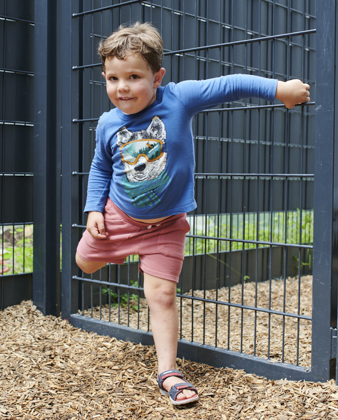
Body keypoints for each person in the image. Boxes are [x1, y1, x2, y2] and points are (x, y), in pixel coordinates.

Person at [75, 22, 310, 406]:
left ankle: (168, 371)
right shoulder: (107, 123)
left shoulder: (179, 99)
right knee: (83, 264)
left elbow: (230, 85)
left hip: (166, 227)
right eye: (113, 78)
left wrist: (280, 90)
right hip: (118, 217)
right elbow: (101, 168)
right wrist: (93, 210)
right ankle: (124, 252)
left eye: (134, 77)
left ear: (157, 77)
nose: (122, 87)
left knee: (162, 295)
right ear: (104, 78)